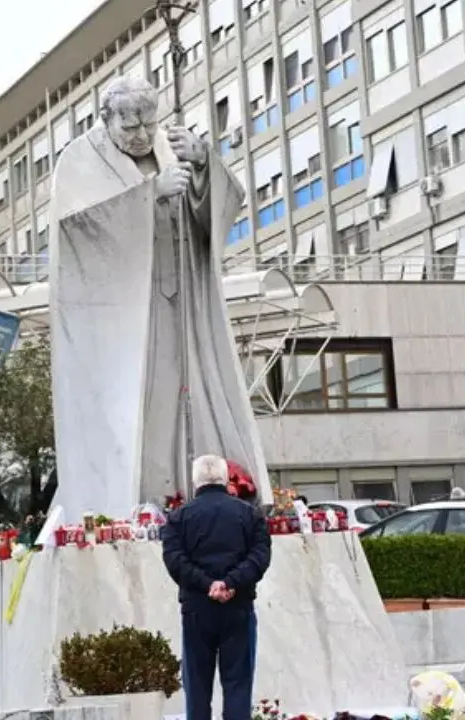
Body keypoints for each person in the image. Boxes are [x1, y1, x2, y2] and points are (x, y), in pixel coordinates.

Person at [49, 75, 270, 523]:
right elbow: (77, 232)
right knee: (141, 409)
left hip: (184, 306)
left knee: (197, 394)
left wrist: (205, 164)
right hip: (126, 322)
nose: (142, 136)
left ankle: (205, 488)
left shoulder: (170, 146)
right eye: (130, 127)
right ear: (105, 119)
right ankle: (143, 500)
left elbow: (226, 208)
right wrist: (149, 195)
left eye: (149, 124)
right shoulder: (78, 161)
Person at [162, 454, 271, 720]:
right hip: (239, 606)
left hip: (197, 608)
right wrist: (232, 582)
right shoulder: (249, 515)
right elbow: (259, 556)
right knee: (238, 684)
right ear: (226, 479)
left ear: (194, 481)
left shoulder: (179, 518)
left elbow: (175, 561)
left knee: (197, 686)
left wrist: (207, 585)